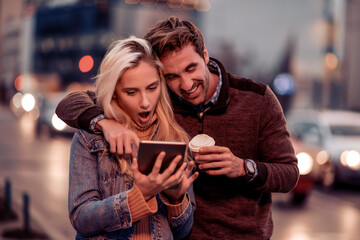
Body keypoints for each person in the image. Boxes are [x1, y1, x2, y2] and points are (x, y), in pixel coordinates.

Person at [57, 17, 299, 240]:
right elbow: (73, 102)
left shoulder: (257, 99)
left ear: (205, 54)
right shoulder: (160, 103)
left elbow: (289, 175)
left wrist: (243, 167)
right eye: (171, 77)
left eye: (191, 68)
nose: (186, 85)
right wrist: (104, 123)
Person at [68, 36, 198, 240]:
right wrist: (138, 196)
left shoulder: (175, 137)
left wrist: (177, 199)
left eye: (152, 88)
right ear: (114, 94)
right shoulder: (90, 140)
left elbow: (183, 232)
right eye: (131, 92)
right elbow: (81, 218)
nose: (145, 102)